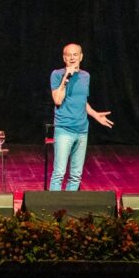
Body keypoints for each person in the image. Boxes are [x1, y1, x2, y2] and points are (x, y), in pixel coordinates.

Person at [48, 43, 113, 191]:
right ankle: (54, 210)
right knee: (59, 173)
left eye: (75, 54)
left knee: (76, 175)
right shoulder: (57, 74)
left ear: (81, 57)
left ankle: (69, 209)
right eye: (69, 55)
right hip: (64, 129)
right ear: (64, 58)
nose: (72, 58)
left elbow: (81, 101)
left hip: (82, 130)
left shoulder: (85, 76)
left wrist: (95, 114)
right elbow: (57, 100)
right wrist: (66, 78)